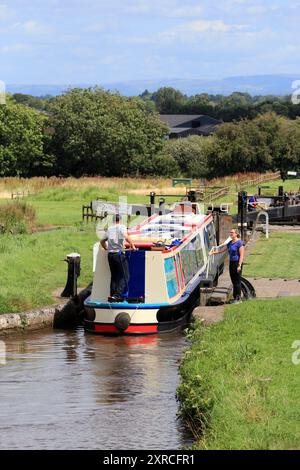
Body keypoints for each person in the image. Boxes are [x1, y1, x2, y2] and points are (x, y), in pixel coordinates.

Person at [101, 214, 136, 302]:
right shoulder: (121, 227)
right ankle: (117, 295)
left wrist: (106, 248)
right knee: (126, 276)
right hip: (119, 254)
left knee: (114, 276)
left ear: (113, 220)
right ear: (120, 220)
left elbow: (102, 241)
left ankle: (112, 295)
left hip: (110, 255)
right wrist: (132, 245)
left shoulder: (109, 229)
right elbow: (126, 236)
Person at [211, 228, 245, 304]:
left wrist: (239, 265)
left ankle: (238, 299)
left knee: (237, 281)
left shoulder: (240, 243)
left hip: (237, 263)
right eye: (230, 232)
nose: (231, 234)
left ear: (236, 234)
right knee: (233, 280)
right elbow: (222, 249)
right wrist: (214, 252)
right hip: (231, 263)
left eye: (232, 232)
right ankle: (235, 298)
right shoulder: (230, 243)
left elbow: (242, 255)